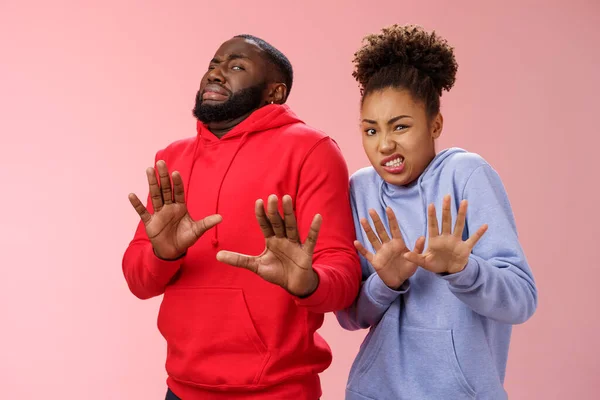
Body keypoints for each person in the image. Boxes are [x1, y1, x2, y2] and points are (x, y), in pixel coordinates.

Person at [123, 34, 361, 400]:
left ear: (275, 93)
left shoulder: (312, 150)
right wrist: (163, 253)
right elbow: (139, 283)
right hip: (182, 390)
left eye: (236, 67)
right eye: (213, 65)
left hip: (278, 392)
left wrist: (308, 281)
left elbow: (343, 276)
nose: (216, 74)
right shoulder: (171, 159)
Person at [335, 25, 538, 399]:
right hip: (373, 391)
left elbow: (521, 300)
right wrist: (386, 282)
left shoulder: (466, 174)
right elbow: (350, 317)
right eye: (370, 130)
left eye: (400, 127)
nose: (385, 144)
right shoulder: (360, 188)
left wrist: (463, 270)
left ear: (435, 125)